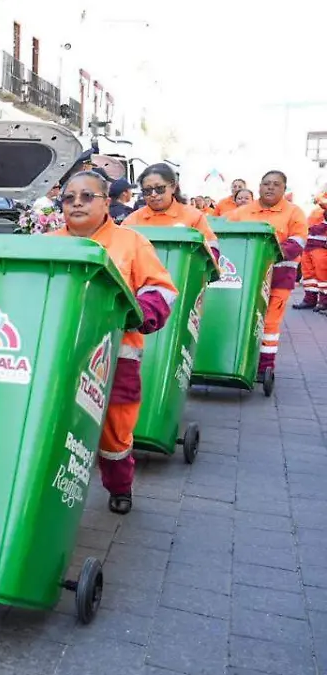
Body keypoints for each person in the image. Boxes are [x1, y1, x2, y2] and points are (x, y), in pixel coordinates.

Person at [49, 171, 177, 514]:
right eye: (69, 197)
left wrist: (143, 313)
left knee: (115, 430)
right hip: (57, 356)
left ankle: (120, 486)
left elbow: (161, 288)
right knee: (53, 419)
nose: (76, 202)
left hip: (115, 358)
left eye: (86, 196)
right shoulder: (47, 243)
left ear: (107, 202)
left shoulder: (131, 243)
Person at [228, 171, 308, 376]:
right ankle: (233, 361)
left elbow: (298, 242)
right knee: (241, 317)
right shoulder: (242, 212)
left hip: (280, 277)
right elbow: (224, 233)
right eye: (266, 183)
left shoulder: (294, 212)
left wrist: (269, 255)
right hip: (247, 277)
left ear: (284, 189)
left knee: (270, 323)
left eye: (276, 184)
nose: (270, 187)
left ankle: (264, 367)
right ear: (259, 187)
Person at [122, 163, 219, 260]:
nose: (153, 194)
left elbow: (212, 250)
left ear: (173, 187)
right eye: (147, 191)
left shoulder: (194, 216)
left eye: (159, 188)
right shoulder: (131, 222)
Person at [296, 192, 327, 311]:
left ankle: (324, 301)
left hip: (321, 245)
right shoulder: (316, 205)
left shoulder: (321, 202)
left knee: (322, 274)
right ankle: (310, 299)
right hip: (308, 244)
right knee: (308, 274)